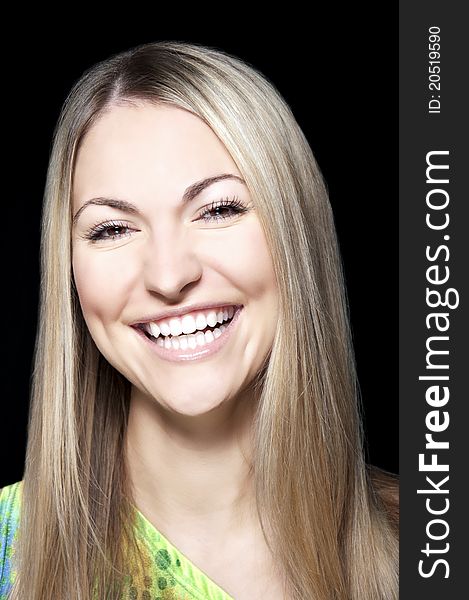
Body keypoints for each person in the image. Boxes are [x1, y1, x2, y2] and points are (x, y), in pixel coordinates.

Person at [0, 40, 398, 599]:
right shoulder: (7, 551)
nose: (168, 275)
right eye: (112, 228)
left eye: (218, 210)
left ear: (294, 230)